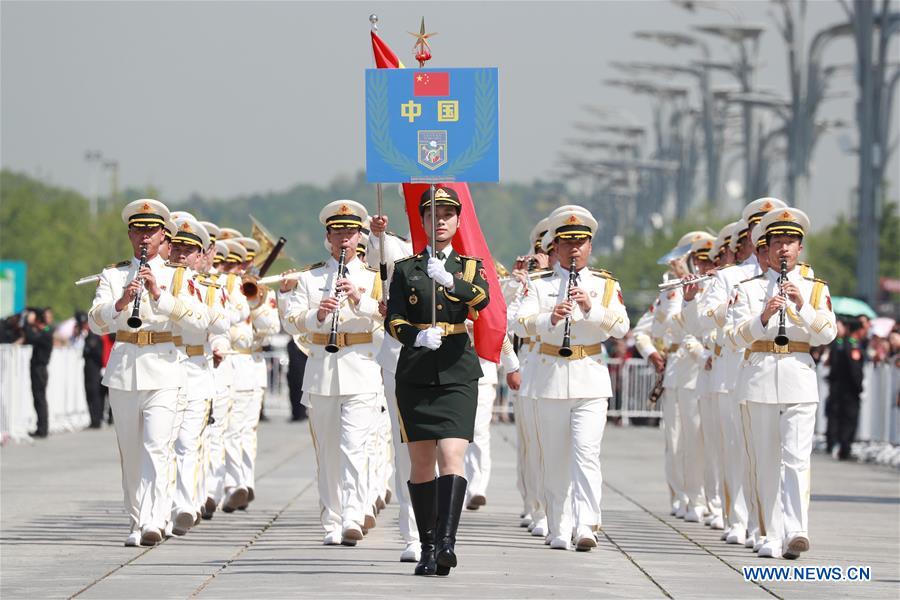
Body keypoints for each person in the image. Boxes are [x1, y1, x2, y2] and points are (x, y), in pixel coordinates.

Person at [88, 198, 209, 547]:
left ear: (163, 236)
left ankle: (155, 519)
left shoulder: (177, 275)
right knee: (130, 451)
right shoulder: (114, 274)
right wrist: (121, 303)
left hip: (165, 367)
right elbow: (96, 321)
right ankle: (136, 519)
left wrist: (159, 294)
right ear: (130, 234)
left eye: (151, 230)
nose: (144, 236)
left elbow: (200, 318)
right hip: (126, 366)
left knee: (158, 447)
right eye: (138, 229)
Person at [511, 205, 629, 551]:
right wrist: (550, 318)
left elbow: (621, 326)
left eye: (581, 242)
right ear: (555, 246)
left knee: (586, 453)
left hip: (589, 378)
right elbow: (518, 323)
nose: (574, 249)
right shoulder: (538, 283)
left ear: (590, 246)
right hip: (549, 378)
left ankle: (587, 523)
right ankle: (559, 524)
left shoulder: (604, 285)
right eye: (567, 243)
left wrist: (592, 307)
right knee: (555, 456)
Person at [386, 185, 490, 576]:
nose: (441, 220)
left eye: (448, 214)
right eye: (433, 214)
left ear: (457, 220)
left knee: (452, 455)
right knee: (421, 463)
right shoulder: (407, 268)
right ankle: (427, 545)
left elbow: (482, 300)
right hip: (416, 370)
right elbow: (393, 318)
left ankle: (447, 543)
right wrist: (415, 336)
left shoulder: (469, 267)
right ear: (424, 221)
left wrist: (450, 281)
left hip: (457, 370)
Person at [731, 207, 836, 559]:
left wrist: (801, 306)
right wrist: (763, 315)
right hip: (759, 377)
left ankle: (796, 530)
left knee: (796, 458)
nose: (784, 249)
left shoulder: (815, 289)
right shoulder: (748, 289)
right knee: (764, 460)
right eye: (777, 242)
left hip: (799, 377)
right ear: (767, 247)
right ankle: (769, 533)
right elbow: (733, 337)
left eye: (790, 242)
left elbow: (827, 334)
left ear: (800, 248)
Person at [279, 199, 383, 547]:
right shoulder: (311, 277)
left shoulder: (373, 278)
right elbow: (291, 319)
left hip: (362, 368)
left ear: (359, 237)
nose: (344, 239)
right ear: (328, 236)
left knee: (355, 446)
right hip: (323, 367)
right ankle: (332, 519)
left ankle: (353, 515)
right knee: (327, 451)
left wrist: (358, 300)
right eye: (338, 232)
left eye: (350, 232)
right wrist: (317, 316)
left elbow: (388, 314)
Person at [825, 317, 866, 460]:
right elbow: (854, 369)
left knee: (838, 417)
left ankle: (837, 445)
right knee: (849, 419)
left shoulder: (842, 344)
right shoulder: (853, 346)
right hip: (849, 390)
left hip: (838, 388)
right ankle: (845, 448)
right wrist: (859, 387)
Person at [23, 307, 54, 438]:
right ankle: (41, 427)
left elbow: (30, 337)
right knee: (39, 399)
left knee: (40, 399)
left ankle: (42, 429)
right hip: (39, 369)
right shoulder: (45, 332)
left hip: (39, 369)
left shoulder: (46, 333)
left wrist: (26, 323)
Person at [81, 312, 108, 429]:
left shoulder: (95, 335)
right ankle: (95, 419)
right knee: (93, 394)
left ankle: (96, 420)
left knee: (95, 394)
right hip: (92, 368)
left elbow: (94, 351)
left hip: (95, 369)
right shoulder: (92, 334)